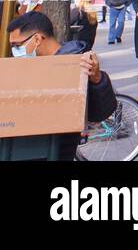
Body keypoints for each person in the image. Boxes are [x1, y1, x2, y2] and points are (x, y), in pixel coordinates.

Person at [8, 10, 117, 161]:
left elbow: (102, 112)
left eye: (16, 45)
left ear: (37, 39)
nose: (14, 52)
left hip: (53, 151)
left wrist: (97, 78)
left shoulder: (75, 63)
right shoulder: (30, 67)